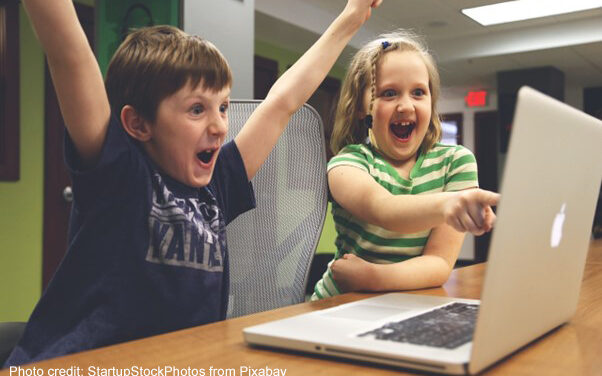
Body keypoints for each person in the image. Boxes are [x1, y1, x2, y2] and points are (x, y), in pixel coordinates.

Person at [5, 0, 383, 366]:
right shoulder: (118, 171)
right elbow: (67, 53)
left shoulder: (217, 183)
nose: (220, 126)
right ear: (138, 124)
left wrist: (351, 17)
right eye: (197, 109)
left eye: (222, 106)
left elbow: (282, 104)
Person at [312, 30, 500, 300]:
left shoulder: (456, 163)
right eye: (389, 93)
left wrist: (372, 278)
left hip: (403, 303)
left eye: (418, 93)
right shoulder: (347, 164)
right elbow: (384, 209)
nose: (405, 105)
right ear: (360, 106)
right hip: (339, 304)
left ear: (431, 101)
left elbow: (439, 264)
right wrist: (450, 204)